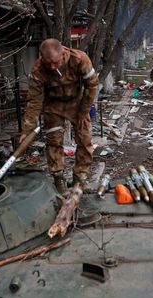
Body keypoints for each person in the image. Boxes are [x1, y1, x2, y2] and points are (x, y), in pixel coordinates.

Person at [19, 38, 99, 193]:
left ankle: (80, 179)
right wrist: (27, 130)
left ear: (63, 53)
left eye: (55, 62)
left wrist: (84, 111)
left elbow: (92, 85)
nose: (52, 67)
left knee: (85, 138)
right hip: (53, 106)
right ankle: (59, 180)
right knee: (54, 141)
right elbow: (34, 101)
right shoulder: (38, 70)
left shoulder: (79, 59)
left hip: (77, 103)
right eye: (48, 63)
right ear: (42, 58)